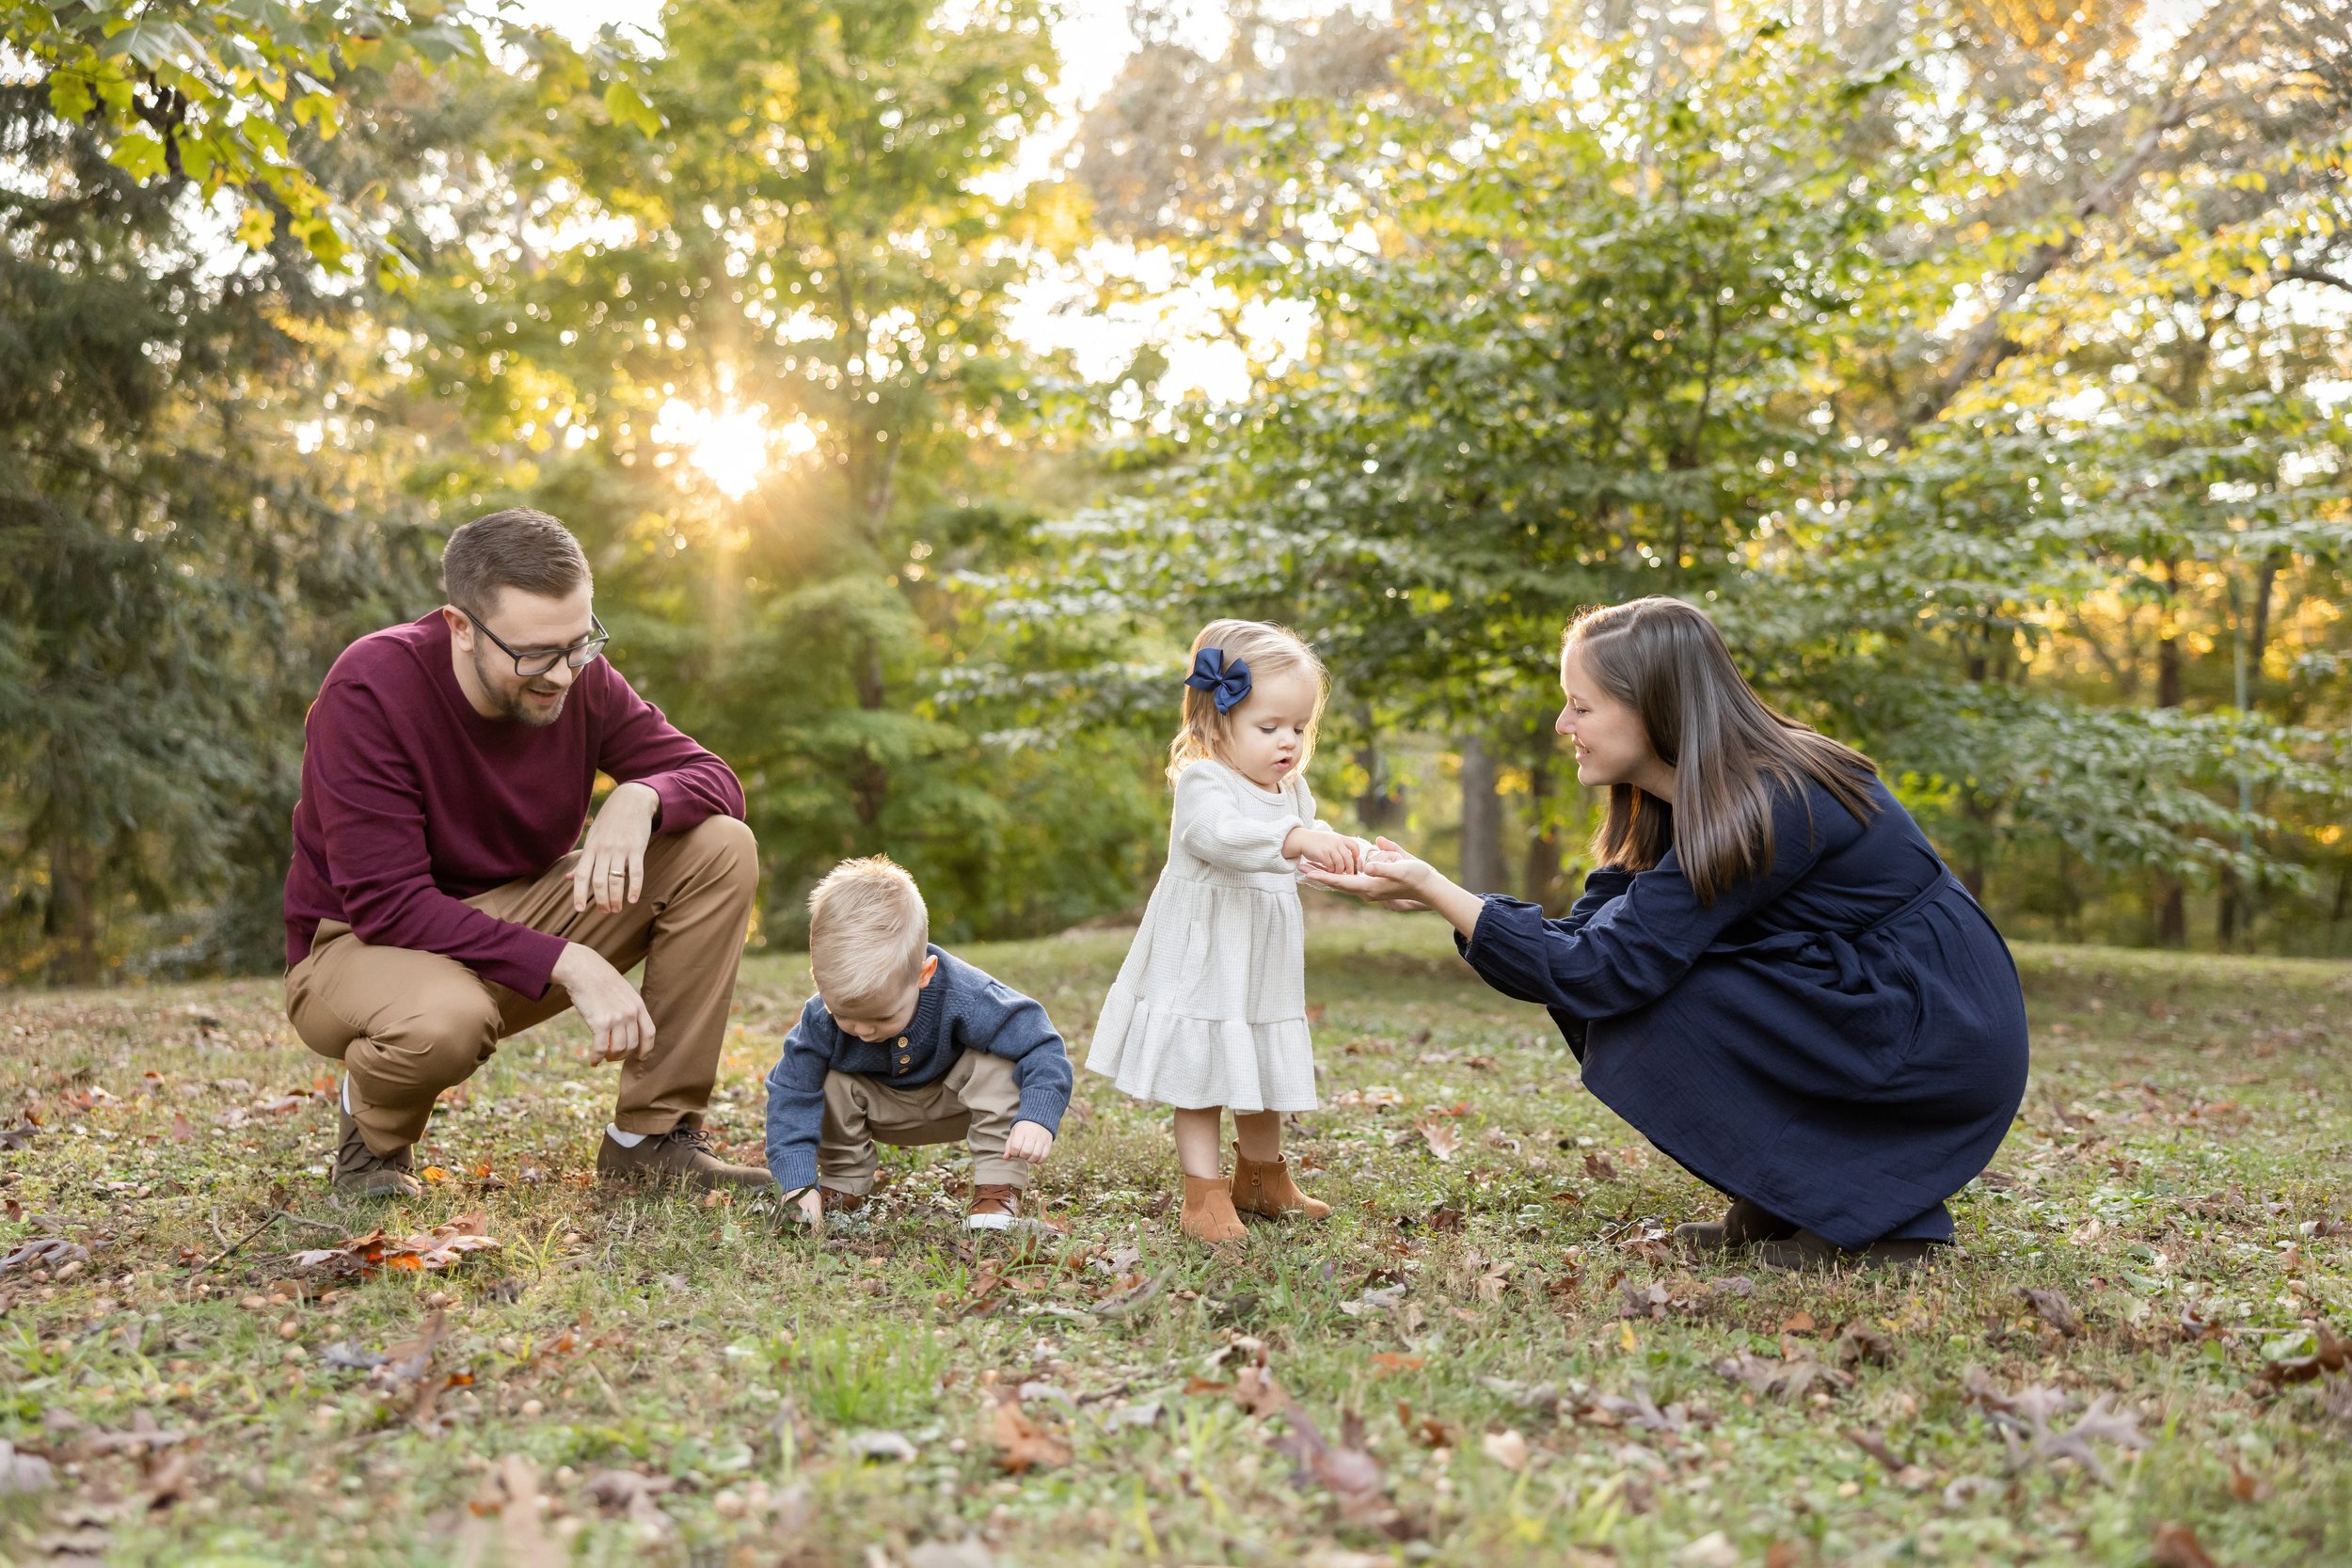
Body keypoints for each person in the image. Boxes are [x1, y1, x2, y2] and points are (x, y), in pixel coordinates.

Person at [1304, 597, 2030, 1269]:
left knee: (1658, 996)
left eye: (1581, 706)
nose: (1564, 725)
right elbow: (1584, 942)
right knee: (1641, 986)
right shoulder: (1684, 793)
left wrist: (1438, 889)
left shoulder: (1770, 799)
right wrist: (1441, 897)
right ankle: (1785, 1197)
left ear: (1652, 709)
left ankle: (1882, 1223)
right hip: (1861, 1001)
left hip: (1932, 1034)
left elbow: (1603, 969)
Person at [283, 508, 769, 1198]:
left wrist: (642, 797)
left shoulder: (576, 675)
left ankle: (650, 1143)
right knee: (446, 1021)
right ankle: (371, 1144)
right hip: (357, 947)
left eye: (581, 643)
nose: (563, 674)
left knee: (721, 846)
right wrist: (572, 962)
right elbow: (388, 904)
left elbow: (716, 781)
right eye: (536, 653)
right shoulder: (370, 688)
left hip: (508, 920)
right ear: (459, 627)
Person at [1086, 620, 1365, 1243]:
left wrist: (1352, 859)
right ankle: (1202, 1195)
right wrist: (1296, 839)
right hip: (1205, 957)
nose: (1288, 741)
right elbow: (1219, 837)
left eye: (1299, 726)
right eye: (1270, 727)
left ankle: (1263, 1179)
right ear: (1217, 722)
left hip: (1262, 961)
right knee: (1204, 1069)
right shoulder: (1204, 782)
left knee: (1261, 1063)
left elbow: (1301, 858)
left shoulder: (1291, 790)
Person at [764, 856, 1072, 1231]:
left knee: (998, 1065)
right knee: (826, 1082)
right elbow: (791, 1093)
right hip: (882, 1108)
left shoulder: (968, 995)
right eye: (844, 1015)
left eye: (881, 1017)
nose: (861, 1030)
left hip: (957, 1100)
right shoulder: (819, 1020)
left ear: (924, 974)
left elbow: (1041, 1045)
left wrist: (1037, 1117)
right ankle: (842, 1185)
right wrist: (796, 1185)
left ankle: (996, 1191)